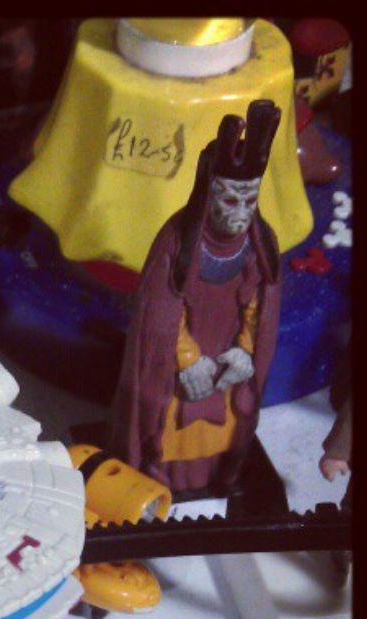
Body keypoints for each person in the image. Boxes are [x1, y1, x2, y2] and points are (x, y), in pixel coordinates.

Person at [109, 100, 282, 496]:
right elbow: (163, 309)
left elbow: (259, 302)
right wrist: (187, 359)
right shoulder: (177, 241)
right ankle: (159, 481)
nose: (241, 212)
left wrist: (246, 350)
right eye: (230, 200)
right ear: (209, 194)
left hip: (227, 358)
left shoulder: (260, 243)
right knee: (167, 424)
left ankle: (216, 477)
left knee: (227, 425)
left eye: (249, 201)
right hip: (179, 362)